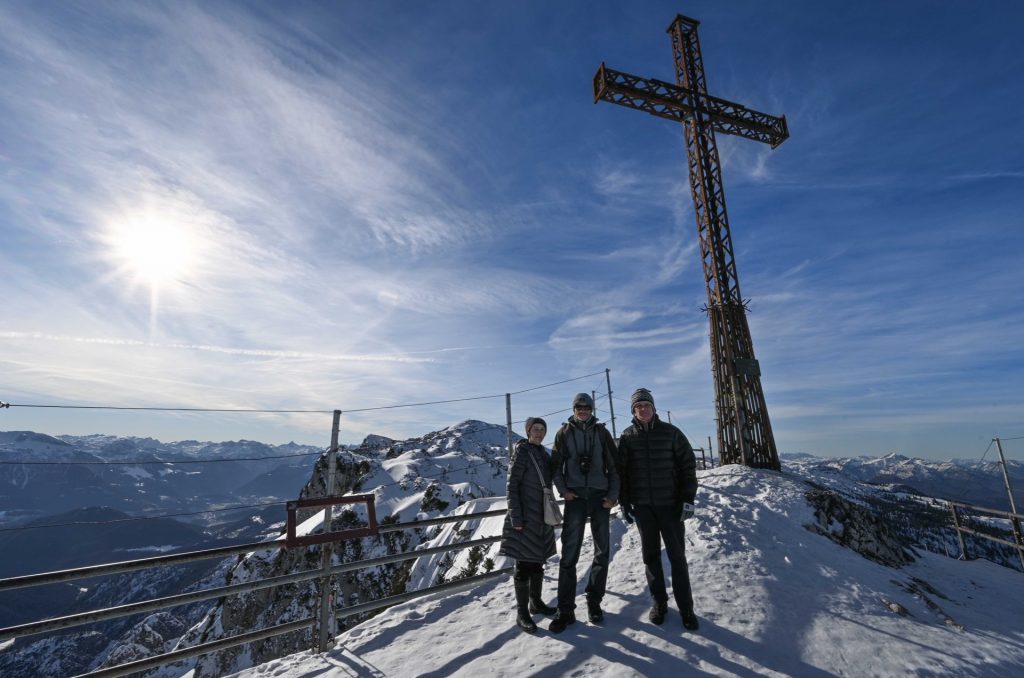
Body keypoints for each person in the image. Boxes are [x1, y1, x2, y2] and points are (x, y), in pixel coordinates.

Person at [618, 387, 700, 630]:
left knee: (677, 557)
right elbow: (622, 472)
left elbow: (688, 466)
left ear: (654, 408)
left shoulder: (672, 433)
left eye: (647, 405)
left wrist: (688, 499)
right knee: (651, 557)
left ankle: (686, 608)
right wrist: (625, 502)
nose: (643, 409)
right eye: (638, 406)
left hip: (671, 506)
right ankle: (659, 603)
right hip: (644, 508)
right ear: (633, 411)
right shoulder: (627, 436)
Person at [548, 392, 620, 632]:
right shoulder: (564, 434)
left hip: (600, 497)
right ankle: (565, 608)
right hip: (575, 496)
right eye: (579, 407)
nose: (583, 410)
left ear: (592, 409)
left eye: (587, 407)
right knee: (569, 553)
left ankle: (594, 601)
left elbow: (615, 466)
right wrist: (564, 490)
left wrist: (613, 495)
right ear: (573, 408)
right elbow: (555, 468)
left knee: (602, 550)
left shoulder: (602, 433)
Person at [498, 416, 558, 633]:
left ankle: (536, 602)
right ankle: (522, 613)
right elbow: (511, 486)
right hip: (523, 517)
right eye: (535, 429)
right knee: (523, 565)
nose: (539, 432)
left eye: (542, 429)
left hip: (540, 517)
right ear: (528, 431)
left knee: (537, 561)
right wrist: (516, 517)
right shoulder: (522, 452)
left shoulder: (543, 453)